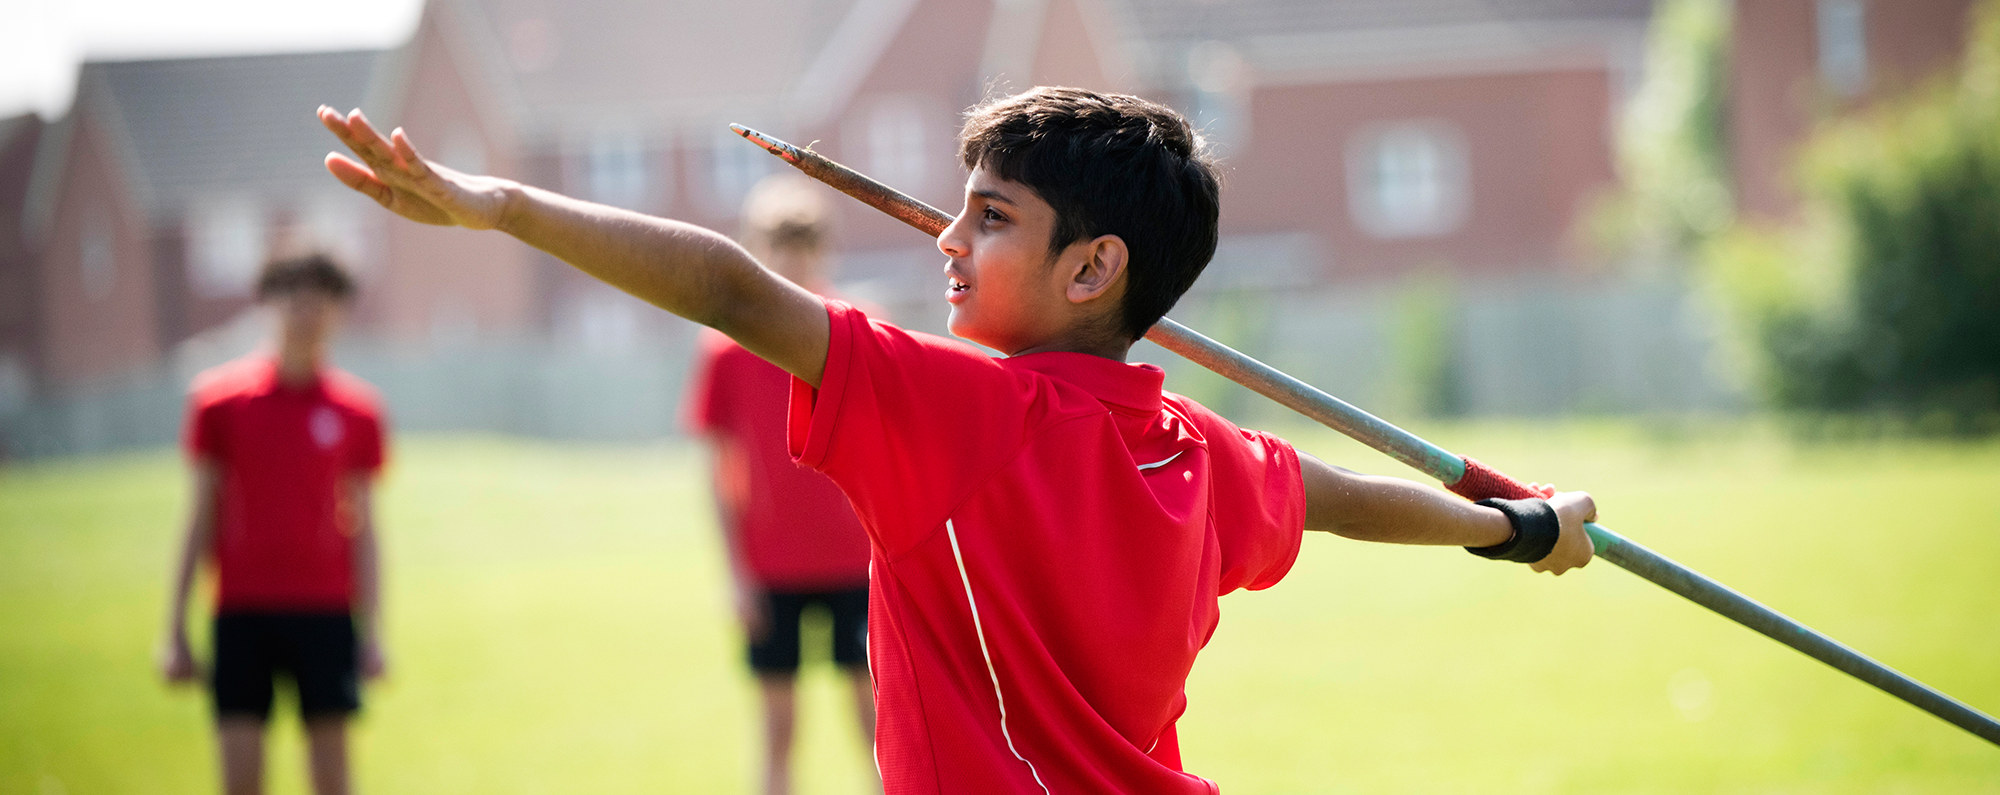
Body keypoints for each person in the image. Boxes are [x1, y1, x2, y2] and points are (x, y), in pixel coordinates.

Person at [317, 86, 1596, 793]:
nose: (945, 238)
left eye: (988, 217)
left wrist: (501, 207)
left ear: (1092, 267)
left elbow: (729, 293)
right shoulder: (1202, 451)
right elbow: (1337, 497)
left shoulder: (963, 413)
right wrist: (1511, 526)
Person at [160, 254, 388, 795]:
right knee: (240, 780)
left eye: (321, 303)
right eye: (296, 300)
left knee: (332, 778)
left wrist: (374, 632)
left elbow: (365, 529)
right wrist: (175, 628)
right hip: (242, 610)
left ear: (339, 313)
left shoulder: (358, 410)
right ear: (268, 304)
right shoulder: (219, 403)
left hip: (325, 608)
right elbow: (200, 516)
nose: (308, 315)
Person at [684, 175, 877, 795]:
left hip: (858, 564)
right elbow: (719, 471)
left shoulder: (860, 332)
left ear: (825, 249)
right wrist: (735, 575)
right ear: (756, 247)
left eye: (805, 242)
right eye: (779, 243)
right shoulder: (725, 349)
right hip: (771, 567)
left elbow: (890, 454)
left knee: (879, 726)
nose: (793, 258)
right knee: (777, 729)